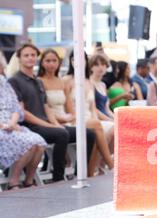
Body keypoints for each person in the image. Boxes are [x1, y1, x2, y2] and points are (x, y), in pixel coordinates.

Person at [8, 43, 96, 182]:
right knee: (61, 134)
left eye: (32, 55)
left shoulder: (38, 82)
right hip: (30, 126)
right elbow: (22, 111)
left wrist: (55, 123)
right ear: (19, 58)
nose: (30, 58)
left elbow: (46, 107)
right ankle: (58, 178)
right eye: (26, 55)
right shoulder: (14, 80)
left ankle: (79, 174)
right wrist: (50, 125)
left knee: (88, 134)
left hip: (47, 124)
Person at [0, 52, 47, 190]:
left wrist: (12, 123)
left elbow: (16, 108)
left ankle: (29, 180)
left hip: (12, 125)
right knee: (29, 143)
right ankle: (14, 180)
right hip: (1, 128)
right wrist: (4, 125)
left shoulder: (4, 83)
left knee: (39, 142)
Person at [63, 50, 114, 176]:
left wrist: (99, 120)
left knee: (112, 128)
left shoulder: (88, 82)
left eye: (82, 59)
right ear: (71, 61)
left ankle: (97, 166)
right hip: (74, 119)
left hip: (90, 119)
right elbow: (67, 107)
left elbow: (93, 108)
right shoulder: (66, 80)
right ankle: (111, 165)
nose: (78, 62)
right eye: (74, 59)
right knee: (98, 126)